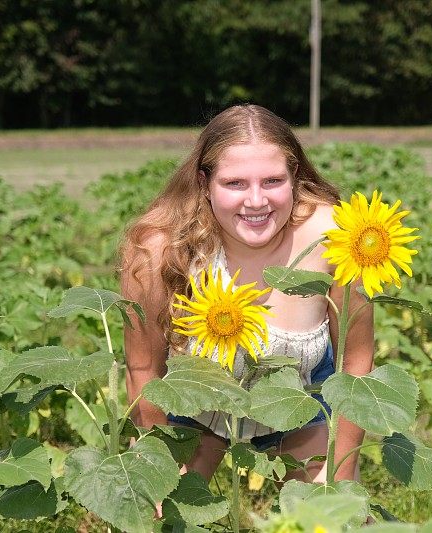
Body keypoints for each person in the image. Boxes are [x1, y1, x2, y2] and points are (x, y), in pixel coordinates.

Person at [119, 104, 374, 483]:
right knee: (165, 514)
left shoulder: (336, 237)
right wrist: (157, 471)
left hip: (298, 399)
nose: (256, 201)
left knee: (332, 517)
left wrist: (340, 477)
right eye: (235, 183)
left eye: (272, 181)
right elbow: (143, 369)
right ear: (205, 184)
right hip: (195, 408)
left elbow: (356, 362)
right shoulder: (159, 249)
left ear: (296, 178)